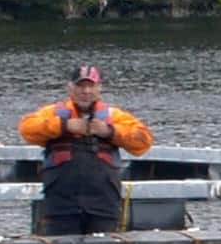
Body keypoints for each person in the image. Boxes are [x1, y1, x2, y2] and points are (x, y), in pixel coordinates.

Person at [18, 65, 153, 235]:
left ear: (99, 88)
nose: (86, 91)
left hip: (103, 204)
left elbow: (143, 140)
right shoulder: (53, 113)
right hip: (61, 205)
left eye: (91, 86)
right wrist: (64, 126)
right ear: (70, 88)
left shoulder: (114, 116)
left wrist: (109, 131)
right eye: (80, 86)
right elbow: (26, 129)